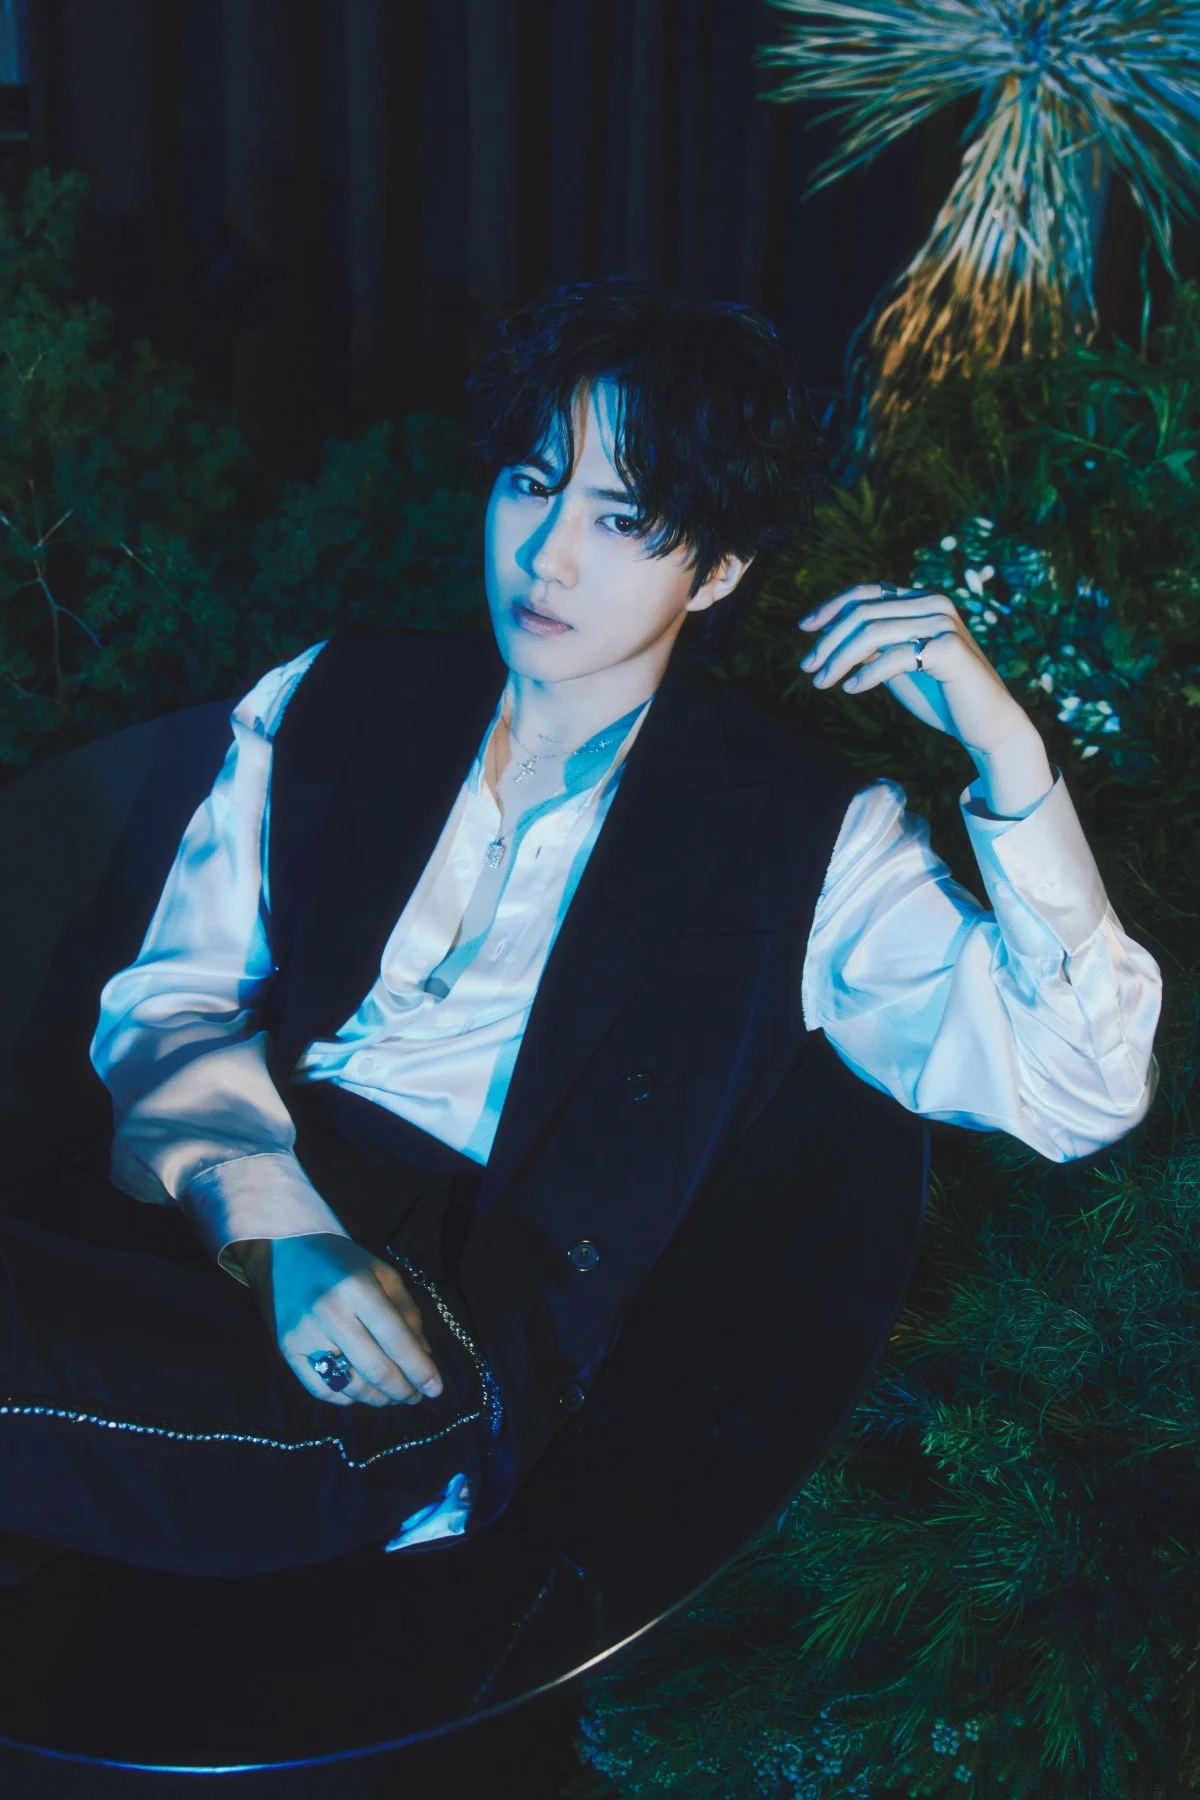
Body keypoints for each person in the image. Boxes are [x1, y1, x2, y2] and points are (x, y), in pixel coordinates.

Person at [0, 278, 1161, 1583]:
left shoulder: (809, 837)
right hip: (201, 1207)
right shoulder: (337, 697)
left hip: (432, 1330)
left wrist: (1009, 758)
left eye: (624, 520)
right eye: (531, 483)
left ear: (718, 569)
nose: (547, 556)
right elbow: (173, 1005)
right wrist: (266, 1218)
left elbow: (1080, 1088)